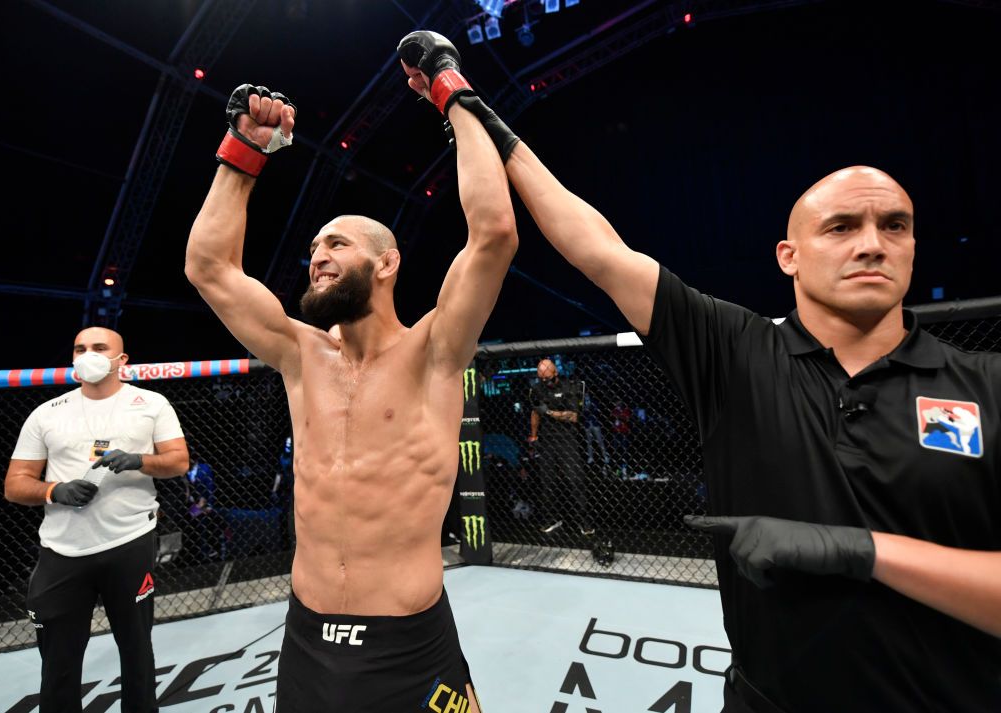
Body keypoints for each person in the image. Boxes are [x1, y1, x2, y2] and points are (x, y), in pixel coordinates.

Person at [417, 63, 1001, 707]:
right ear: (790, 256)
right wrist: (465, 102)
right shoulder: (737, 352)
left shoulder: (986, 385)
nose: (872, 244)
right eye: (841, 227)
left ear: (915, 245)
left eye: (895, 226)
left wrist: (865, 552)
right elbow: (599, 250)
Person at [185, 31, 517, 711]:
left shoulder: (435, 350)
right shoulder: (300, 355)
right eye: (313, 247)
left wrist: (451, 90)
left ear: (386, 262)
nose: (317, 255)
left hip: (411, 644)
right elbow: (209, 267)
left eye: (336, 242)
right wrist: (244, 152)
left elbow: (493, 233)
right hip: (306, 640)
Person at [3, 327, 190, 713]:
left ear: (121, 360)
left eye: (99, 348)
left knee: (137, 650)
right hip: (63, 548)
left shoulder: (151, 403)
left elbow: (178, 462)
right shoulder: (47, 413)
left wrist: (139, 460)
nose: (88, 353)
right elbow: (15, 484)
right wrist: (54, 490)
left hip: (130, 541)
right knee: (58, 660)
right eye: (80, 348)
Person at [528, 358, 593, 536]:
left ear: (555, 374)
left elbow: (573, 416)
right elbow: (535, 412)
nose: (544, 382)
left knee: (575, 480)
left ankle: (584, 521)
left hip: (567, 439)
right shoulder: (537, 389)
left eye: (547, 379)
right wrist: (533, 435)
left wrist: (548, 411)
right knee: (547, 482)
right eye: (541, 379)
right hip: (547, 440)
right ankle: (552, 518)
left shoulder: (569, 386)